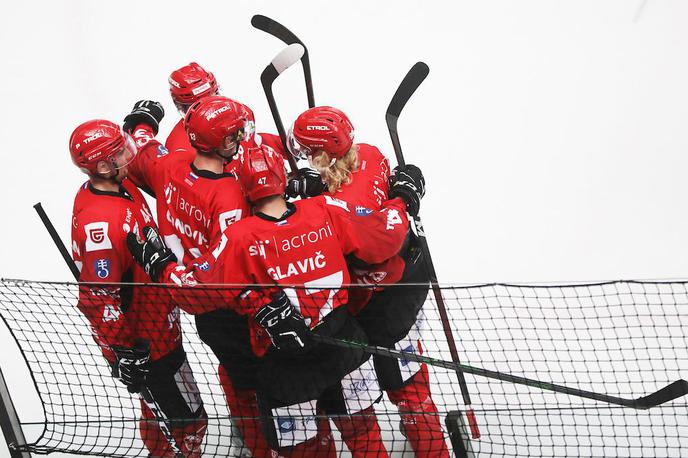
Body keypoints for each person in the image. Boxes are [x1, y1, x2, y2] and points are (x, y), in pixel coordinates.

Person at [127, 144, 426, 456]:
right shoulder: (325, 209)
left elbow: (193, 292)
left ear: (243, 186)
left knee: (306, 451)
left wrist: (161, 266)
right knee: (364, 435)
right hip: (343, 346)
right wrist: (401, 197)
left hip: (287, 363)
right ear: (284, 180)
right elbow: (384, 237)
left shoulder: (239, 238)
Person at [287, 106, 450, 457]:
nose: (300, 156)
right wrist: (403, 193)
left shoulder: (336, 210)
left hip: (373, 312)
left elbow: (377, 234)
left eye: (305, 150)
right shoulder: (372, 155)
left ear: (321, 154)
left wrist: (315, 202)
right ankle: (434, 447)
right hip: (407, 288)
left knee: (364, 401)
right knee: (412, 388)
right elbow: (366, 198)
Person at [121, 96, 267, 457]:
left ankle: (247, 438)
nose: (243, 138)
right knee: (261, 387)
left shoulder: (171, 164)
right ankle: (263, 447)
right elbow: (236, 259)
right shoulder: (232, 195)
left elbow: (142, 150)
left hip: (203, 313)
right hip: (236, 309)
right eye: (236, 135)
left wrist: (142, 122)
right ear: (223, 143)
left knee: (236, 378)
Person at [68, 119, 207, 457]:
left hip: (161, 328)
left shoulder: (120, 183)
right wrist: (124, 350)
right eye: (119, 152)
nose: (128, 156)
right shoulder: (100, 226)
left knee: (157, 410)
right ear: (102, 165)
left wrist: (140, 125)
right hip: (148, 347)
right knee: (190, 423)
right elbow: (98, 299)